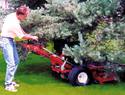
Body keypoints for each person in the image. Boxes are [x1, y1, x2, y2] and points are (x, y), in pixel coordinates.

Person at [0, 5, 38, 92]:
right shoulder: (14, 23)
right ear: (20, 14)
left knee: (16, 60)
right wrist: (32, 37)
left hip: (10, 39)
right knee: (11, 63)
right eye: (25, 16)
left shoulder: (13, 15)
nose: (26, 17)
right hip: (6, 41)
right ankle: (8, 85)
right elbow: (22, 37)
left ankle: (11, 80)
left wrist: (26, 34)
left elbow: (20, 30)